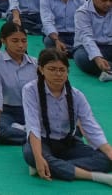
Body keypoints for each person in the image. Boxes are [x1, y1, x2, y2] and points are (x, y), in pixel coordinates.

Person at [23, 48, 112, 182]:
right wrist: (38, 156)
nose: (58, 74)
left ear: (67, 72)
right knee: (31, 154)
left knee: (106, 159)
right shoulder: (30, 90)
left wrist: (109, 151)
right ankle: (95, 176)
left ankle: (51, 166)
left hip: (68, 142)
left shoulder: (77, 96)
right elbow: (33, 125)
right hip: (43, 141)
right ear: (41, 70)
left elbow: (90, 126)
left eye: (62, 70)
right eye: (52, 69)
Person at [0, 22, 37, 146]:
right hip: (6, 110)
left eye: (24, 41)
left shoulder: (36, 63)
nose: (20, 45)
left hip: (31, 109)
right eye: (15, 41)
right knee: (1, 132)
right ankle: (38, 138)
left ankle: (27, 133)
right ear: (4, 41)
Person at [75, 0, 112, 80]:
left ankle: (107, 71)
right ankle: (106, 68)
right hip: (86, 48)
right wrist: (97, 58)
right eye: (103, 0)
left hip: (109, 46)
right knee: (81, 58)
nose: (108, 4)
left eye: (111, 0)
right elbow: (87, 38)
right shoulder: (82, 12)